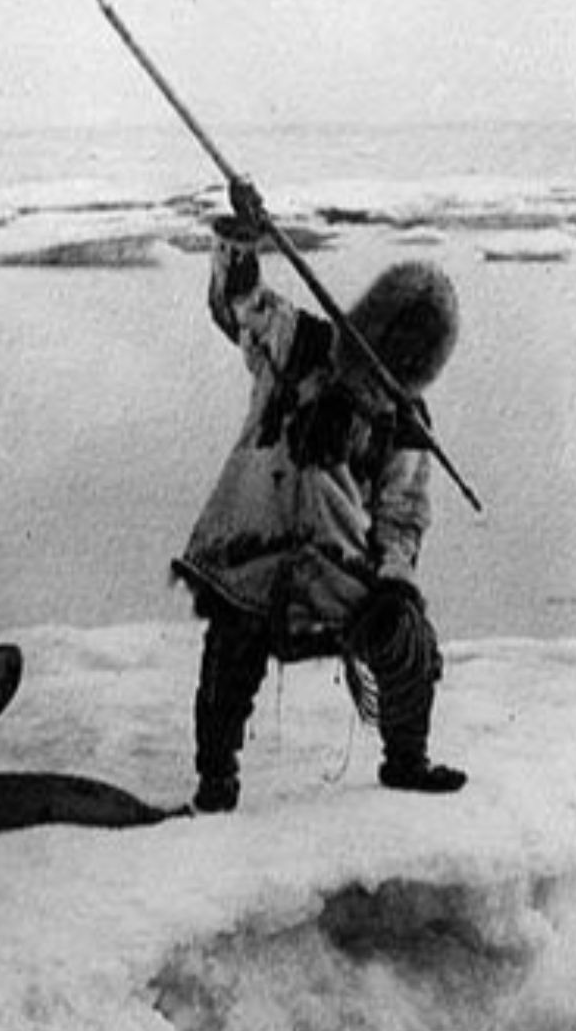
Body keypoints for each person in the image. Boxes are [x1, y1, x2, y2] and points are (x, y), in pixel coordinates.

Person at [172, 177, 466, 813]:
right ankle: (216, 780)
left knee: (409, 640)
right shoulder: (295, 344)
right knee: (230, 658)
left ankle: (406, 760)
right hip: (252, 550)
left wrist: (392, 581)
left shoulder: (406, 420)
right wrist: (244, 237)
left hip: (339, 568)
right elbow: (238, 303)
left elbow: (402, 515)